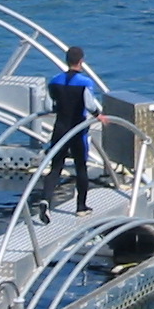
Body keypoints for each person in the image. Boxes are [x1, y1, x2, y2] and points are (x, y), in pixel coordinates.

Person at [39, 46, 109, 221]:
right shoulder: (84, 82)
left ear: (66, 60)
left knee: (55, 167)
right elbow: (89, 104)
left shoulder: (54, 81)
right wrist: (98, 115)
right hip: (77, 130)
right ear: (81, 61)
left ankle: (46, 200)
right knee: (80, 167)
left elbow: (48, 106)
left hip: (60, 129)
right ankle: (81, 206)